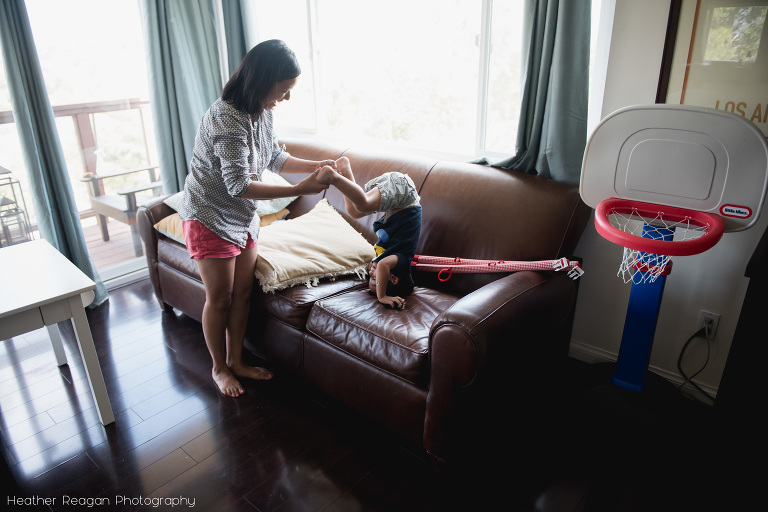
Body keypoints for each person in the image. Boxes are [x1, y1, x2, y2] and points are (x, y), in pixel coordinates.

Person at [177, 40, 336, 397]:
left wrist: (317, 166)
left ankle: (236, 360)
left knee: (244, 292)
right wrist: (303, 187)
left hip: (243, 217)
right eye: (284, 89)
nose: (287, 97)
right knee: (220, 298)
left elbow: (274, 158)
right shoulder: (226, 117)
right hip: (209, 217)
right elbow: (238, 185)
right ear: (262, 80)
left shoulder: (262, 111)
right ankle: (219, 369)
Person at [317, 157, 422, 309]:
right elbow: (383, 266)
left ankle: (345, 171)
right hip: (403, 193)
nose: (371, 274)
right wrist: (382, 296)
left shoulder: (386, 254)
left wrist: (373, 267)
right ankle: (332, 177)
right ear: (393, 278)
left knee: (354, 211)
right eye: (375, 280)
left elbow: (377, 264)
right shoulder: (401, 261)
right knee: (363, 204)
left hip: (397, 198)